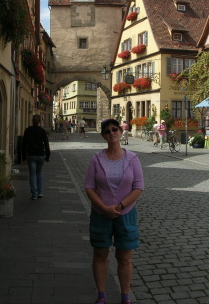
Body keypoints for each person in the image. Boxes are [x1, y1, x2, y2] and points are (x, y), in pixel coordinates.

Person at [85, 118, 144, 304]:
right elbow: (89, 187)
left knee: (124, 257)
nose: (112, 133)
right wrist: (103, 207)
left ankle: (125, 297)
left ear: (120, 131)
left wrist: (121, 206)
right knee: (100, 255)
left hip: (125, 214)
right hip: (100, 214)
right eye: (108, 131)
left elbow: (138, 187)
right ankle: (101, 296)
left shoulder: (132, 158)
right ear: (103, 135)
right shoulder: (96, 159)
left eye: (114, 129)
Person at [22, 114, 50, 200]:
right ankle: (40, 192)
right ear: (39, 122)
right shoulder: (42, 131)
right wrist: (47, 156)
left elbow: (24, 144)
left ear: (32, 121)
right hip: (41, 155)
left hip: (31, 154)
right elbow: (46, 144)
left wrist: (23, 156)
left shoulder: (27, 130)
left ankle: (34, 194)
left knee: (32, 174)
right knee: (39, 173)